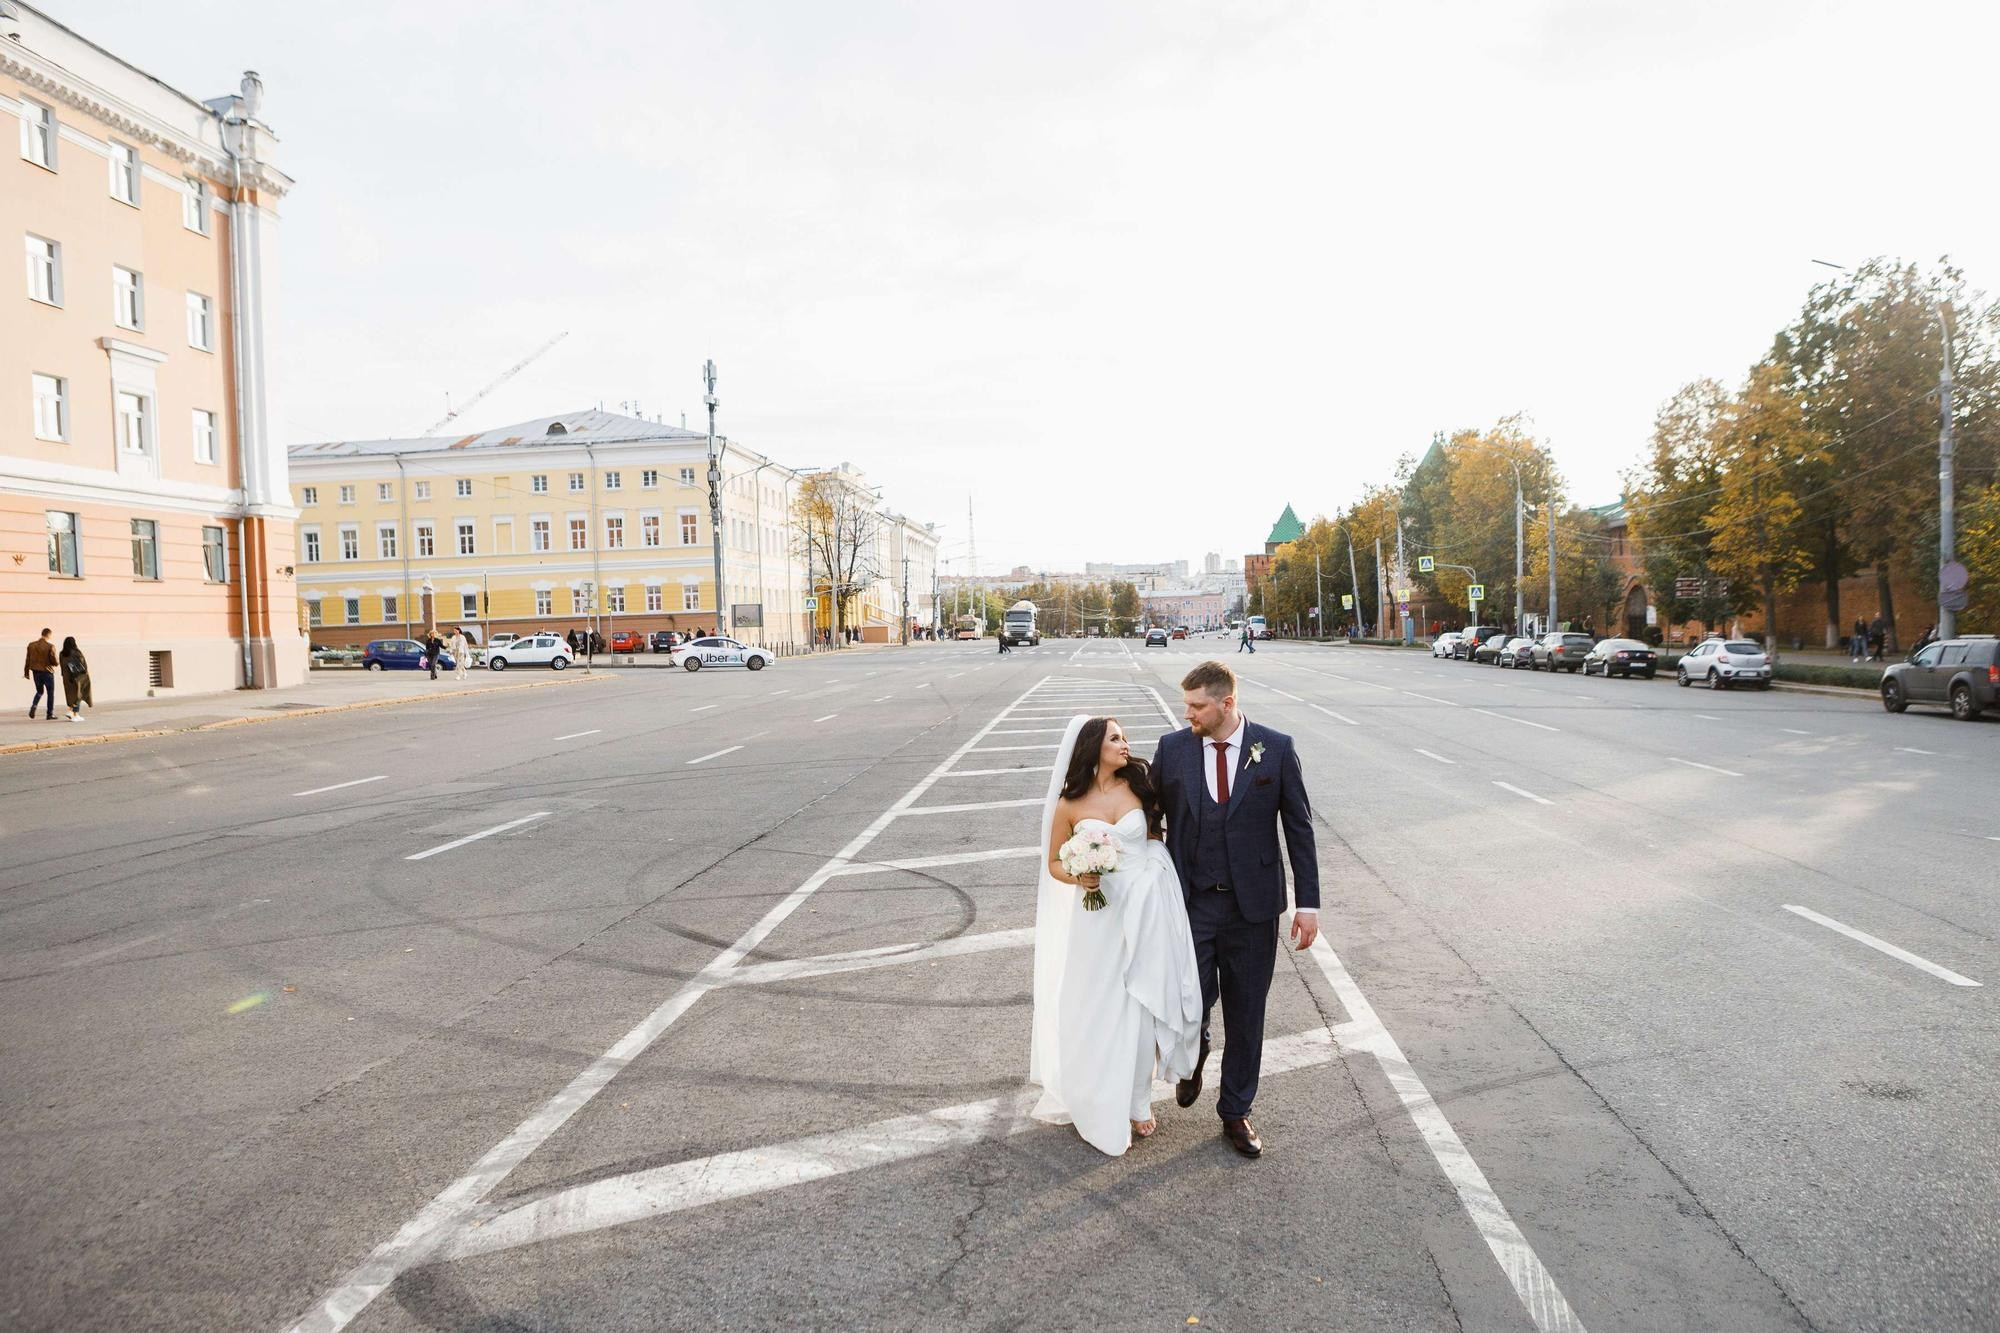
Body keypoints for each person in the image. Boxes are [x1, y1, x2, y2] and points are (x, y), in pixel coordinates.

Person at [1152, 660, 1319, 1159]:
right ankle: (1195, 1054)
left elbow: (1300, 830)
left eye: (1197, 706)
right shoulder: (1173, 749)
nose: (1189, 715)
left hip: (1253, 908)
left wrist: (1307, 905)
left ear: (1227, 704)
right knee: (1189, 1002)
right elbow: (1149, 811)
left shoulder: (1277, 749)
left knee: (1248, 1013)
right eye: (1186, 705)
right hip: (1193, 903)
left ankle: (1236, 1111)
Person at [1030, 716, 1201, 1156]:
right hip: (1100, 915)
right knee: (1100, 1004)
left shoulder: (1139, 784)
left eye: (1125, 737)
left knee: (1142, 1003)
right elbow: (1053, 862)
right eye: (1116, 738)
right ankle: (1095, 1093)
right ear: (1093, 747)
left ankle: (1138, 1102)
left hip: (1145, 905)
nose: (1125, 744)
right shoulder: (1069, 804)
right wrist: (1080, 876)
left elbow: (1152, 836)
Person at [24, 627, 58, 720]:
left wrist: (26, 672)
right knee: (50, 693)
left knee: (39, 691)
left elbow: (28, 659)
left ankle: (34, 706)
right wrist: (56, 663)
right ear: (49, 635)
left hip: (36, 672)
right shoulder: (50, 646)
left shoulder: (31, 645)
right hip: (47, 672)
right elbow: (54, 661)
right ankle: (49, 714)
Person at [58, 636, 91, 722]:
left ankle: (70, 710)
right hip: (77, 677)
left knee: (70, 695)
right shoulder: (76, 652)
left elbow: (62, 665)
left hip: (66, 677)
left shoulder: (62, 653)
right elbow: (82, 663)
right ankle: (75, 714)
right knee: (78, 694)